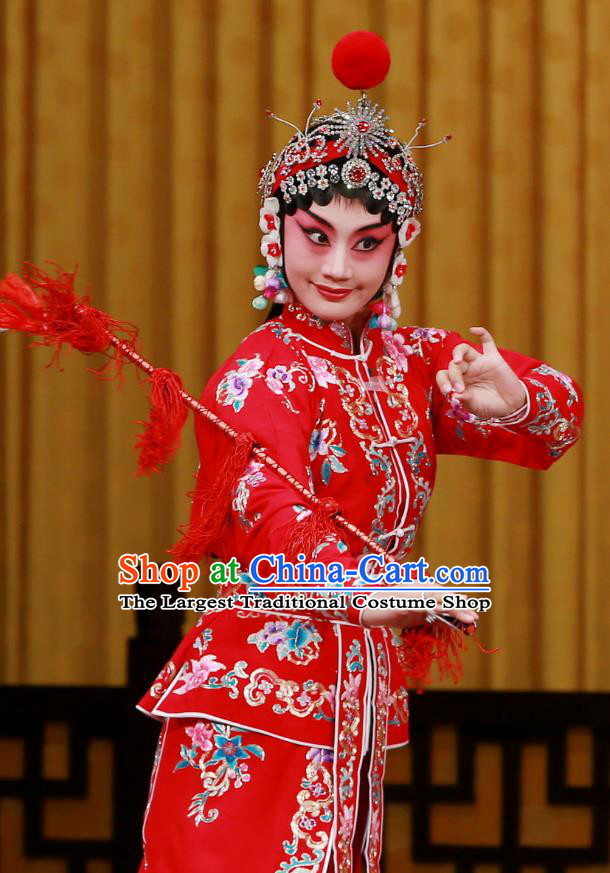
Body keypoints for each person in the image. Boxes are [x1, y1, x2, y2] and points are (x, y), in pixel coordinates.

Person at [135, 33, 583, 873]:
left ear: (397, 245)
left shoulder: (408, 363)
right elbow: (275, 524)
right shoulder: (257, 374)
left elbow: (559, 419)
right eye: (316, 236)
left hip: (354, 711)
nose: (338, 267)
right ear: (276, 233)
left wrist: (514, 397)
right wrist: (393, 592)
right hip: (251, 713)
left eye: (366, 242)